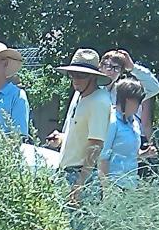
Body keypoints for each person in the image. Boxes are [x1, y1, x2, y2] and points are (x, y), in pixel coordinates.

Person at [49, 49, 114, 201]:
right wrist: (62, 139)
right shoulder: (83, 98)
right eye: (72, 74)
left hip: (82, 175)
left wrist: (80, 184)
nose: (76, 79)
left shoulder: (99, 101)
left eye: (81, 75)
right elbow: (82, 136)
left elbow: (95, 145)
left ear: (93, 77)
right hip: (68, 173)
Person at [99, 49, 159, 139]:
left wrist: (133, 68)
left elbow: (154, 88)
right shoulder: (90, 89)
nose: (112, 71)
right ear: (100, 67)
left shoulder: (123, 91)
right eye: (109, 66)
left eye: (117, 68)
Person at [98, 76, 145, 192]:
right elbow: (103, 157)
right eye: (138, 101)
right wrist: (106, 189)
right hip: (114, 186)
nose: (139, 105)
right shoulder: (112, 122)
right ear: (129, 100)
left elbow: (129, 155)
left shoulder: (134, 123)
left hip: (131, 185)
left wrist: (145, 154)